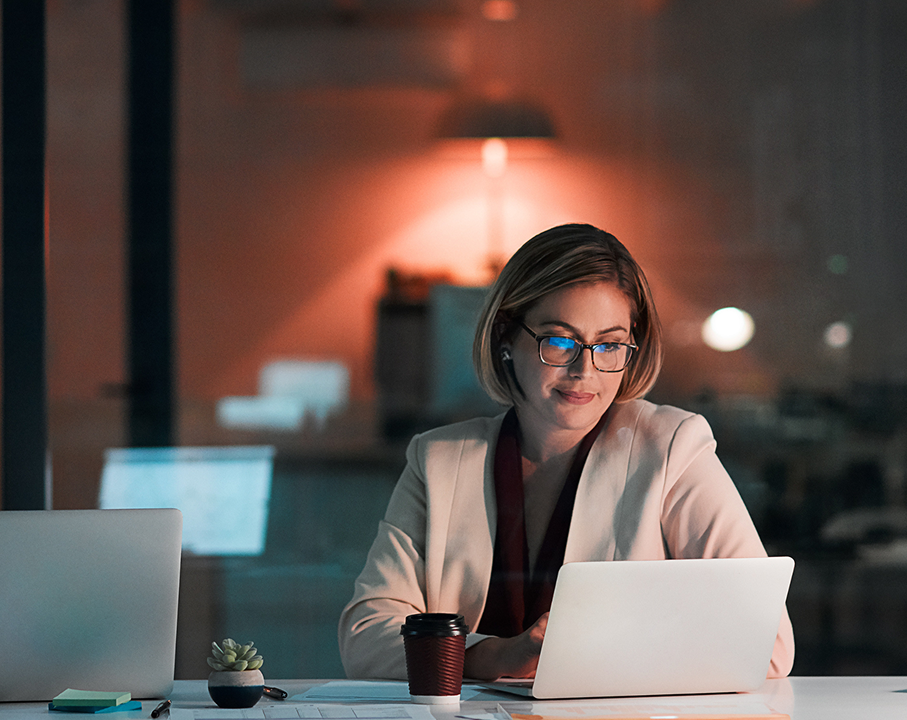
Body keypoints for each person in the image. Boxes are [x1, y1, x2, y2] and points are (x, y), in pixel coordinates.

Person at [338, 223, 794, 681]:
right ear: (505, 337)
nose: (585, 369)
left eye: (610, 344)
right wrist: (492, 657)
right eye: (559, 341)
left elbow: (767, 644)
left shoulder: (672, 447)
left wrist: (587, 658)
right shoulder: (437, 460)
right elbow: (366, 636)